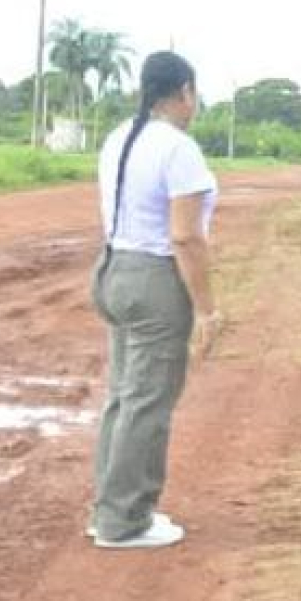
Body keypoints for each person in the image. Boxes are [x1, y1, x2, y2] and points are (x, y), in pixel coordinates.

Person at [89, 51, 221, 549]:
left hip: (112, 270)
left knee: (124, 397)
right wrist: (207, 309)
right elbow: (186, 238)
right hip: (152, 280)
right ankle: (124, 522)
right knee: (148, 402)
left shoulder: (120, 136)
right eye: (196, 93)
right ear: (185, 91)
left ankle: (110, 510)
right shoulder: (176, 148)